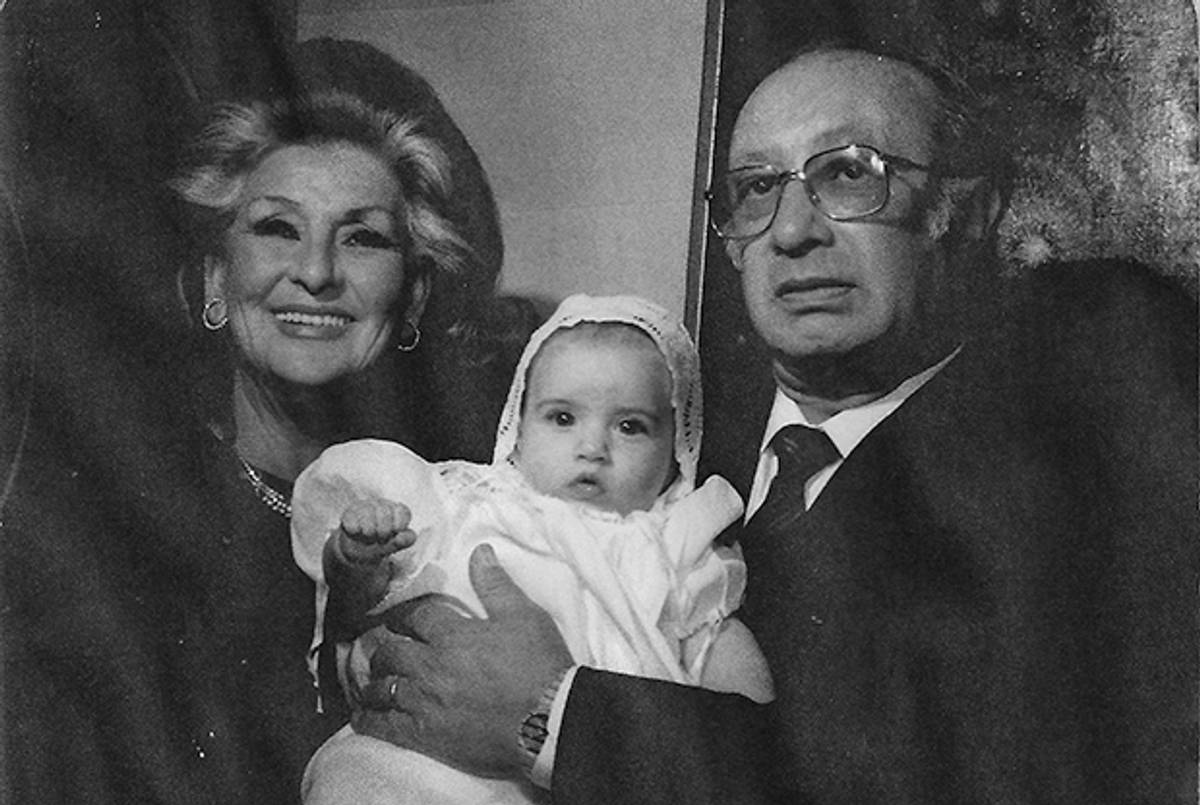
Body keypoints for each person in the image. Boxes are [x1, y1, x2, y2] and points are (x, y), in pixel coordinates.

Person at [343, 41, 1198, 804]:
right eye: (758, 189)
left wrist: (550, 712)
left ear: (963, 210)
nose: (791, 230)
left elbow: (963, 771)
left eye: (850, 173)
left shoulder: (1062, 440)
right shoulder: (642, 428)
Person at [1, 38, 522, 804]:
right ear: (216, 277)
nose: (315, 272)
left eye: (363, 236)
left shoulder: (474, 516)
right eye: (277, 227)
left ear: (411, 298)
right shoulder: (118, 539)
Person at [288, 294, 773, 804]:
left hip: (577, 775)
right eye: (562, 418)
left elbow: (741, 699)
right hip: (423, 757)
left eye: (630, 426)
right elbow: (373, 602)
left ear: (675, 451)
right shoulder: (468, 502)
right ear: (519, 429)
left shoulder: (678, 550)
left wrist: (749, 701)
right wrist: (357, 555)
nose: (593, 448)